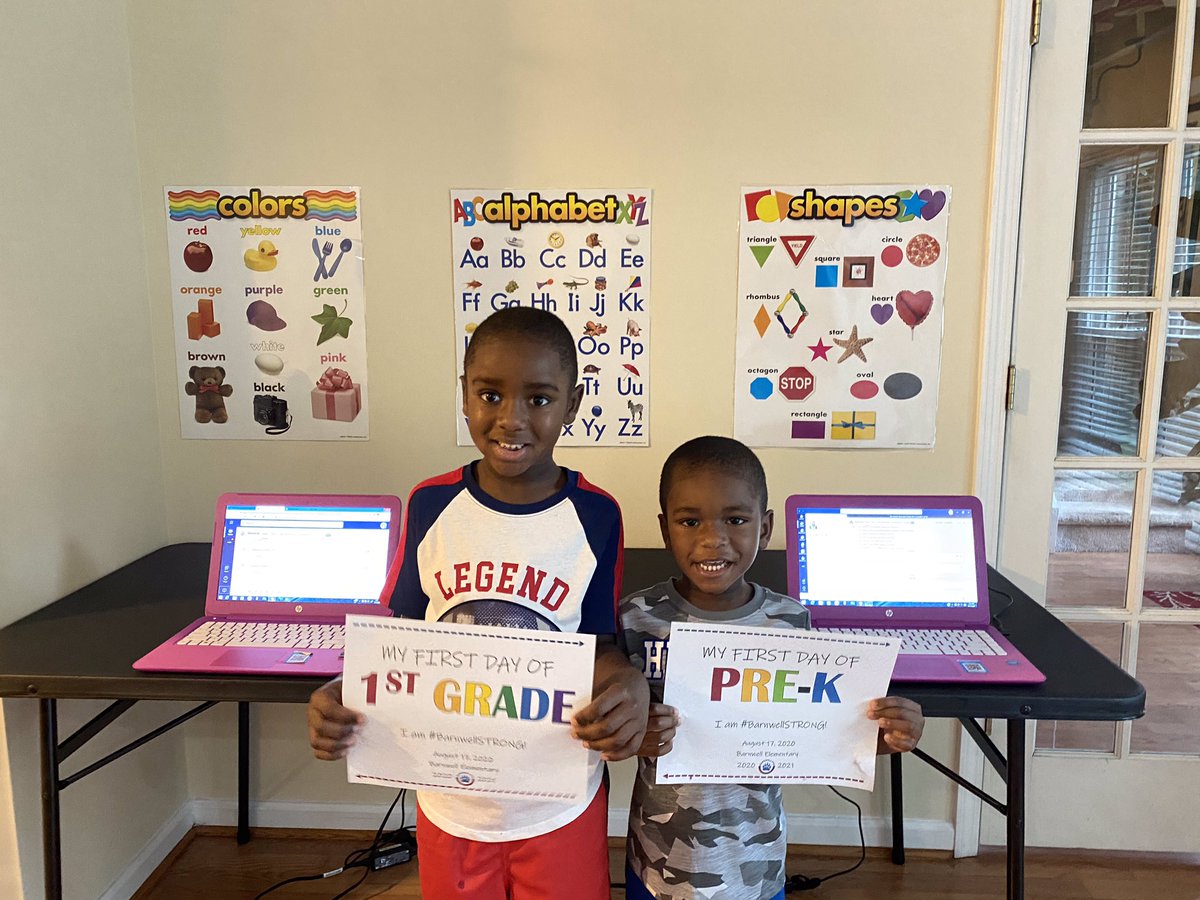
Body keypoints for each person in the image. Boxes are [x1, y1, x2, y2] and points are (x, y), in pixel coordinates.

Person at [307, 306, 649, 899]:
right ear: (464, 396)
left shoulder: (596, 514)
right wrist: (345, 692)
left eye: (539, 399)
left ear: (571, 405)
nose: (512, 419)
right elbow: (400, 638)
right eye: (490, 394)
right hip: (450, 800)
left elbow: (598, 644)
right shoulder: (430, 504)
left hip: (558, 794)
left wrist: (630, 685)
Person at [619, 435, 925, 900]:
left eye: (736, 519)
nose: (712, 538)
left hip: (756, 864)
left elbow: (816, 735)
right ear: (665, 529)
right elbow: (599, 732)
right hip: (658, 862)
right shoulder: (634, 619)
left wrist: (878, 739)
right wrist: (630, 737)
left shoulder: (791, 623)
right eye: (689, 520)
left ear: (764, 528)